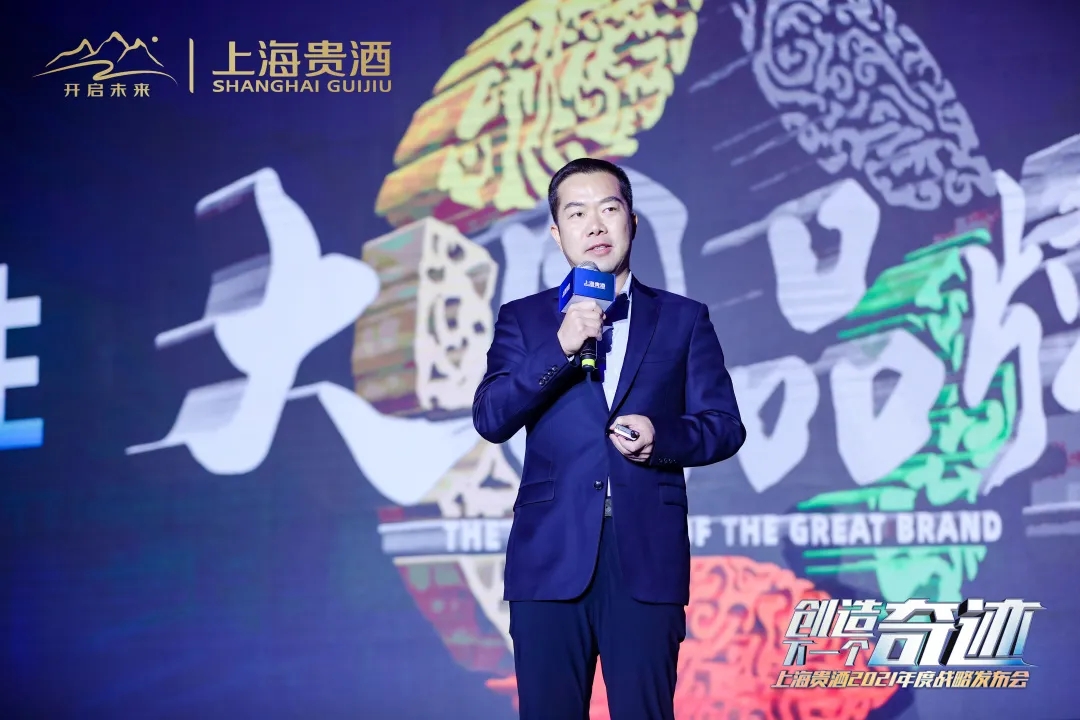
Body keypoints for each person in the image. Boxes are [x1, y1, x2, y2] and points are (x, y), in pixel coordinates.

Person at [472, 158, 745, 720]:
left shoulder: (683, 319)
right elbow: (491, 417)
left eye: (608, 208)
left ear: (632, 222)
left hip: (645, 555)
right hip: (549, 557)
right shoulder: (524, 320)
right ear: (557, 233)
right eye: (577, 213)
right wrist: (561, 347)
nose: (594, 225)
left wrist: (661, 437)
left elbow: (723, 425)